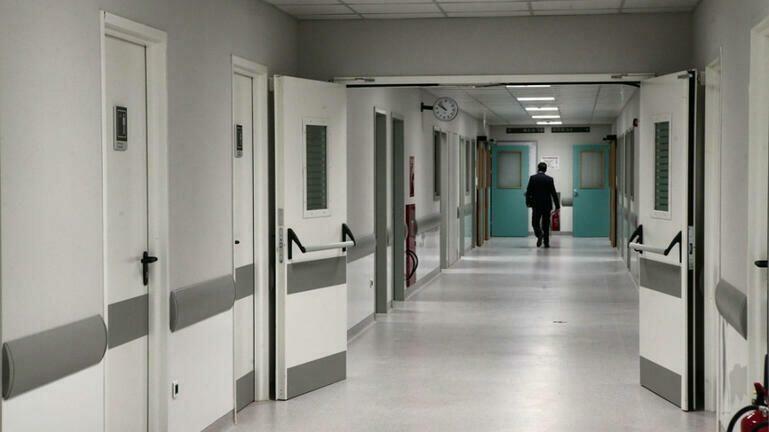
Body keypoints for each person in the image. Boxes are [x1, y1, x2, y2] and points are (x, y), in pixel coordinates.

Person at [525, 162, 560, 248]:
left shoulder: (533, 178)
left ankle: (540, 234)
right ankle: (546, 243)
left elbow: (528, 192)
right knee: (546, 224)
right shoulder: (549, 179)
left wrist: (528, 202)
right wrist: (557, 206)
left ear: (538, 169)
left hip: (536, 204)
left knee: (535, 222)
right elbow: (553, 193)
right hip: (547, 205)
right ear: (546, 169)